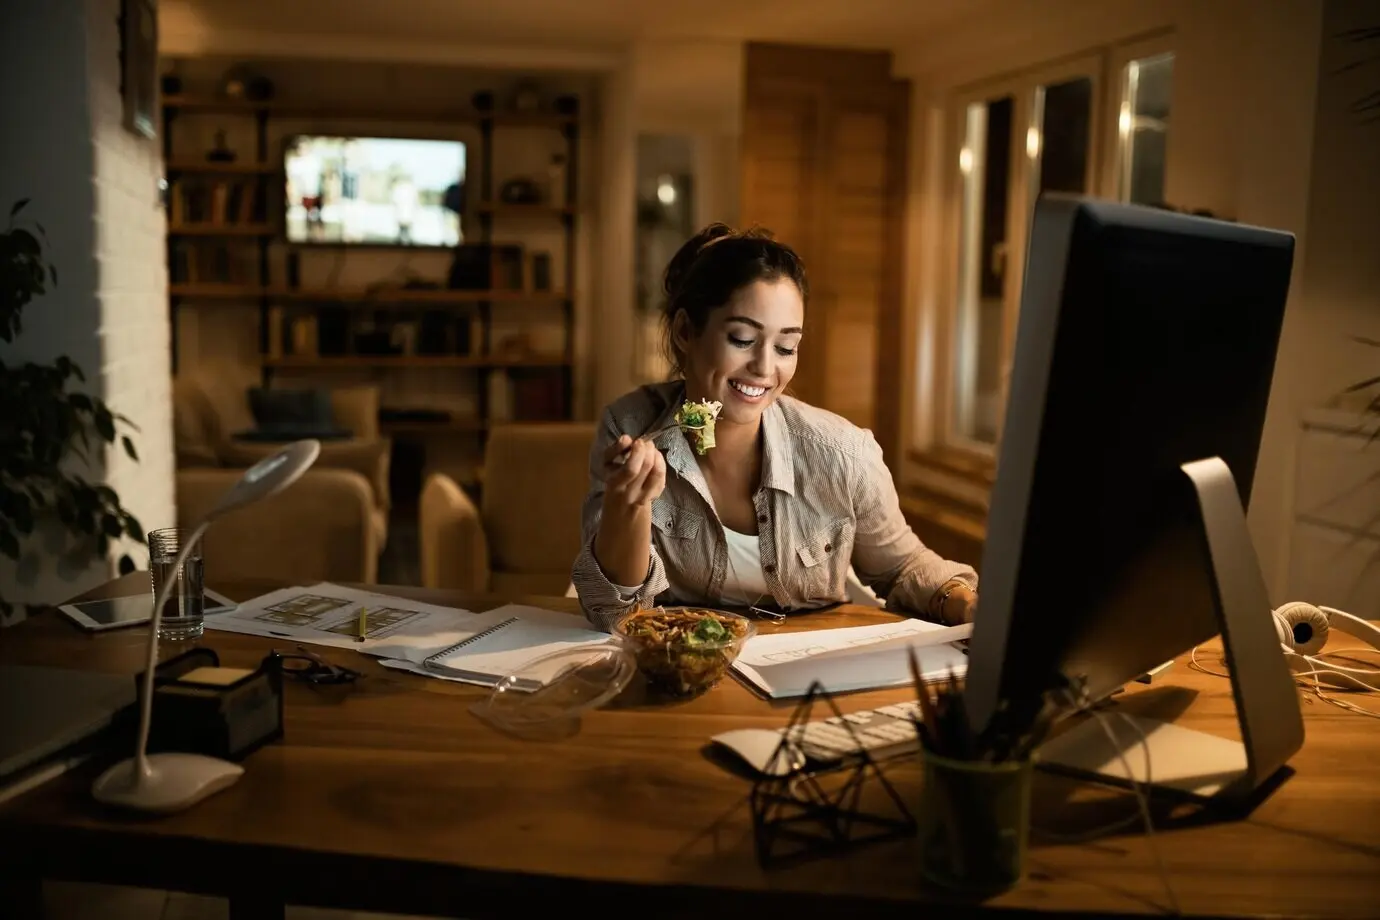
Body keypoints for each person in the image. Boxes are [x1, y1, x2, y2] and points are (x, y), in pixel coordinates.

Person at [571, 223, 979, 631]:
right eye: (742, 339)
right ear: (685, 332)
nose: (765, 368)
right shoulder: (630, 427)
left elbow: (903, 569)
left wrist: (967, 606)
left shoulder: (844, 454)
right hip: (682, 657)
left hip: (810, 658)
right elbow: (614, 614)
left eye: (786, 347)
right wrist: (629, 505)